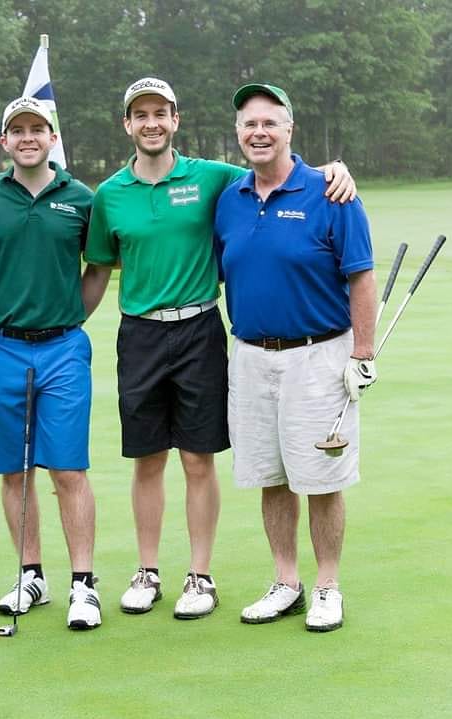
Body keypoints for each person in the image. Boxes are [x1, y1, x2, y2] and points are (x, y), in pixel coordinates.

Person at [84, 77, 355, 620]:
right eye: (141, 115)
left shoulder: (212, 178)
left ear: (175, 119)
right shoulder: (109, 194)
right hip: (139, 332)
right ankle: (147, 571)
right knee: (146, 459)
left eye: (161, 113)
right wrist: (63, 324)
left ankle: (200, 576)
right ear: (128, 124)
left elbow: (277, 171)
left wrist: (334, 169)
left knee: (197, 458)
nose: (152, 123)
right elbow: (97, 269)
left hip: (199, 329)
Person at [214, 83, 376, 632]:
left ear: (289, 129)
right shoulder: (229, 199)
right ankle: (286, 582)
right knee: (271, 476)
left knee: (322, 478)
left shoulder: (331, 193)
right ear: (238, 134)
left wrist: (362, 352)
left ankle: (327, 585)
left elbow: (361, 277)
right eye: (249, 124)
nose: (258, 132)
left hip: (318, 357)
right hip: (250, 357)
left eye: (269, 123)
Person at [0, 97, 111, 630]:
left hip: (63, 348)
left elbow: (98, 267)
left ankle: (83, 584)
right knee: (14, 469)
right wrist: (0, 298)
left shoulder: (82, 199)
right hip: (0, 346)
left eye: (37, 129)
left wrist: (69, 315)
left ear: (52, 137)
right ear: (4, 140)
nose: (27, 138)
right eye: (17, 130)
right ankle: (31, 575)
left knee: (68, 468)